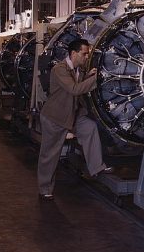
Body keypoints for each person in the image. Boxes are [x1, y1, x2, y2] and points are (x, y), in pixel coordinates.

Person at [37, 39, 112, 201]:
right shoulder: (59, 69)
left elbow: (80, 82)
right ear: (73, 53)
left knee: (90, 127)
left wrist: (90, 75)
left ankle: (96, 168)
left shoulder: (79, 69)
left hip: (73, 114)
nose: (87, 57)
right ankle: (45, 188)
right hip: (55, 117)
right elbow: (74, 89)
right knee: (49, 155)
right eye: (84, 54)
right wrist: (96, 78)